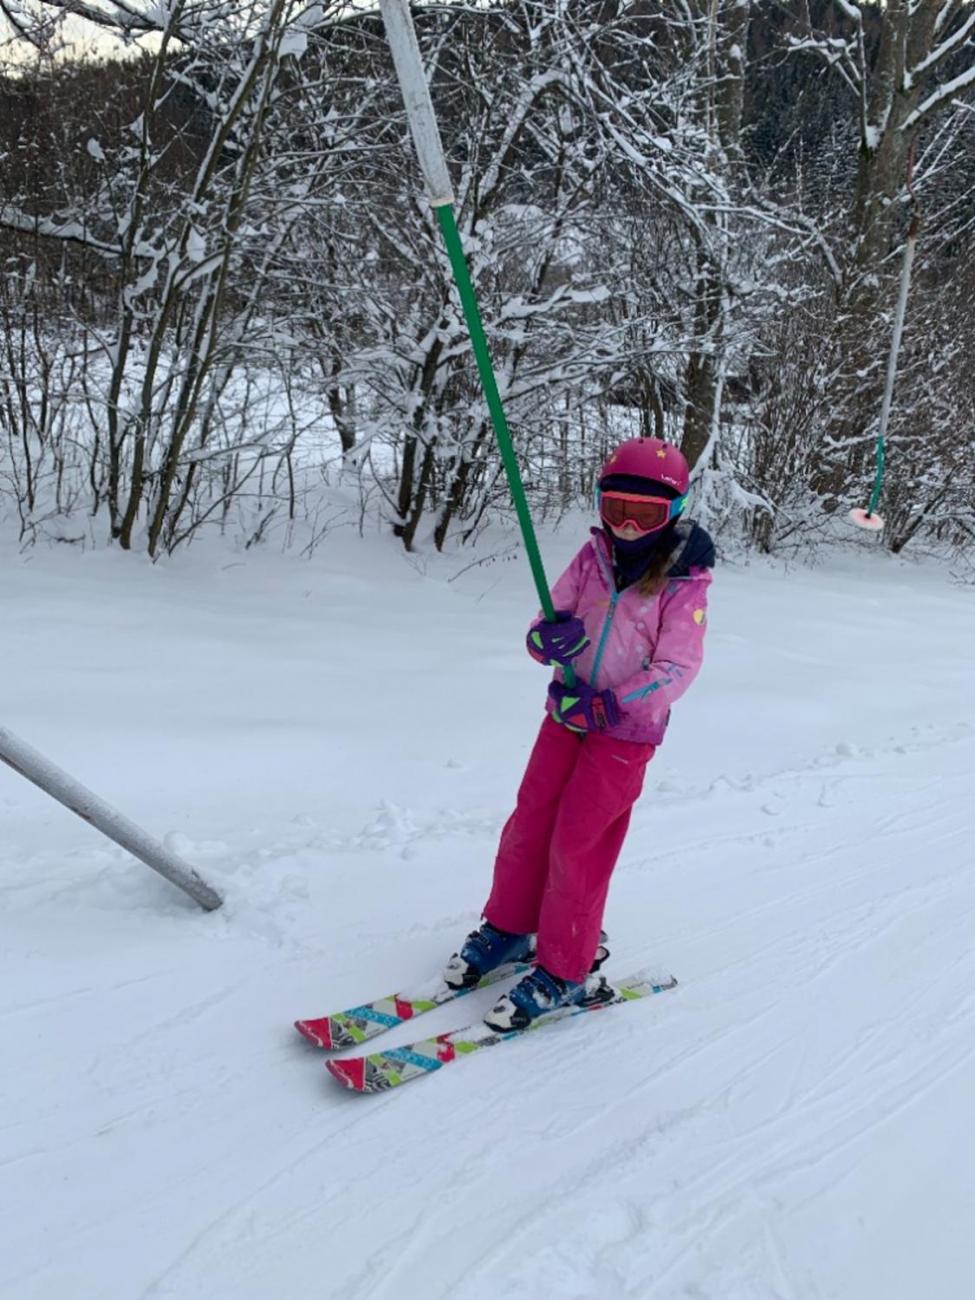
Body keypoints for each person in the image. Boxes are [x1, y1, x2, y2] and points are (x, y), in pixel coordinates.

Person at [443, 437, 715, 1031]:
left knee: (578, 842)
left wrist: (611, 706)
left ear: (673, 513)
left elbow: (677, 668)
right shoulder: (592, 559)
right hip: (566, 711)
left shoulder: (684, 581)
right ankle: (512, 929)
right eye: (615, 508)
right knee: (530, 820)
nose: (626, 526)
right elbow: (549, 619)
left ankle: (565, 969)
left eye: (645, 515)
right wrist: (545, 641)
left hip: (625, 734)